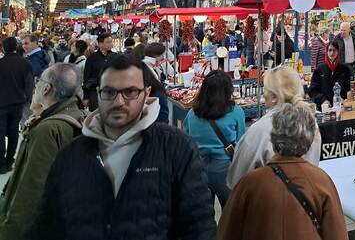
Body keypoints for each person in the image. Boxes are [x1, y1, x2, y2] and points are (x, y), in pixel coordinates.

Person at [28, 54, 215, 240]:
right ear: (98, 93)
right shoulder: (71, 155)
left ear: (146, 93)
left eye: (130, 92)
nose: (119, 102)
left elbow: (199, 225)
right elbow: (47, 224)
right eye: (109, 92)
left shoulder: (176, 148)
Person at [217, 103, 348, 240]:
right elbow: (337, 234)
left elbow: (227, 232)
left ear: (274, 137)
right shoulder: (321, 181)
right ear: (308, 140)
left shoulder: (249, 183)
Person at [0, 63, 86, 239]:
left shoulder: (48, 130)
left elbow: (30, 190)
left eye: (39, 81)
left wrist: (9, 233)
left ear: (47, 88)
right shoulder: (77, 115)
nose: (36, 85)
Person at [227, 67, 321, 189]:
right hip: (306, 200)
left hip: (269, 202)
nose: (263, 93)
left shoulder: (259, 131)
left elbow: (236, 180)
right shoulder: (311, 123)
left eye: (265, 89)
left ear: (274, 96)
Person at [183, 70, 246, 208]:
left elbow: (186, 139)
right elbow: (241, 142)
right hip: (224, 167)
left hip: (198, 167)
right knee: (229, 212)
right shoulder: (236, 112)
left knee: (203, 214)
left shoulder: (192, 114)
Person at [0, 37, 33, 173]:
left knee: (0, 134)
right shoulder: (25, 63)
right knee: (14, 133)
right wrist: (28, 99)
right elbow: (29, 85)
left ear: (3, 48)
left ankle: (1, 164)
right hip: (17, 103)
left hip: (1, 104)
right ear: (16, 47)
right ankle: (9, 161)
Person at [308, 43, 351, 110]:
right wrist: (323, 100)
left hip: (342, 107)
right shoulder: (319, 70)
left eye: (334, 50)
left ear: (338, 52)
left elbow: (349, 88)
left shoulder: (344, 69)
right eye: (330, 50)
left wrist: (345, 99)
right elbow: (313, 90)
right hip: (324, 108)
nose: (332, 53)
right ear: (326, 52)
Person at [83, 32, 115, 111]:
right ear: (100, 44)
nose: (110, 44)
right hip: (95, 93)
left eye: (111, 41)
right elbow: (86, 78)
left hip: (113, 93)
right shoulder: (92, 58)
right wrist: (86, 97)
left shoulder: (115, 56)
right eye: (108, 42)